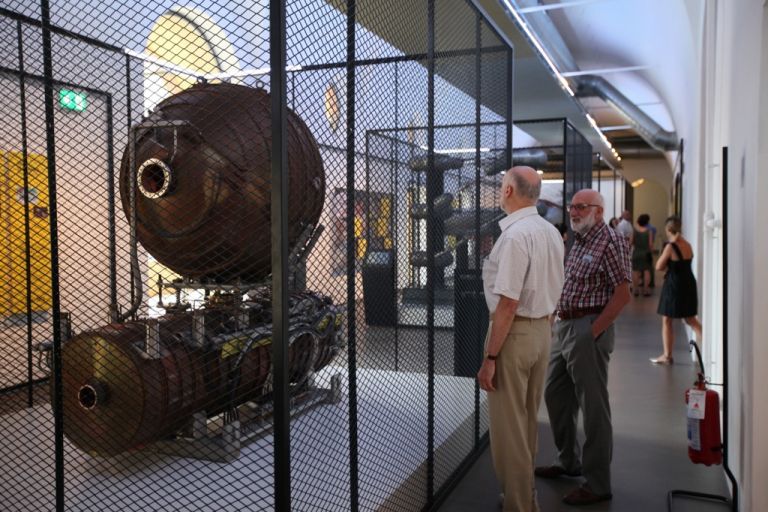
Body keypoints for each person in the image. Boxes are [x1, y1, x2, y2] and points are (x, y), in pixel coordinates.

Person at [535, 189, 632, 506]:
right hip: (565, 327)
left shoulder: (611, 241)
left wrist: (593, 331)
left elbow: (622, 294)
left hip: (587, 329)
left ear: (599, 211)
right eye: (572, 206)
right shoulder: (579, 241)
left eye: (581, 207)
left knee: (593, 407)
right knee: (554, 392)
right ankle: (568, 462)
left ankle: (598, 483)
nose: (574, 212)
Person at [477, 166, 565, 512]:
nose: (500, 191)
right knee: (526, 422)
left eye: (502, 186)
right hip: (542, 331)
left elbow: (508, 303)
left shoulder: (514, 237)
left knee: (508, 430)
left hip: (515, 336)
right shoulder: (549, 232)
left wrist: (491, 357)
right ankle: (526, 496)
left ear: (510, 191)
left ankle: (519, 505)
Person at [651, 216, 703, 365]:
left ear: (668, 229)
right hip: (688, 282)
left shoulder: (671, 246)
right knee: (690, 318)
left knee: (667, 319)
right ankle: (708, 348)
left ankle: (667, 356)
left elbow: (659, 266)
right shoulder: (687, 244)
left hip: (674, 284)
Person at [631, 214, 653, 297]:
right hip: (646, 253)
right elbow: (650, 245)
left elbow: (631, 242)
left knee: (635, 271)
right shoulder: (649, 231)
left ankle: (636, 290)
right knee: (646, 271)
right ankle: (646, 290)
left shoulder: (634, 230)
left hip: (636, 252)